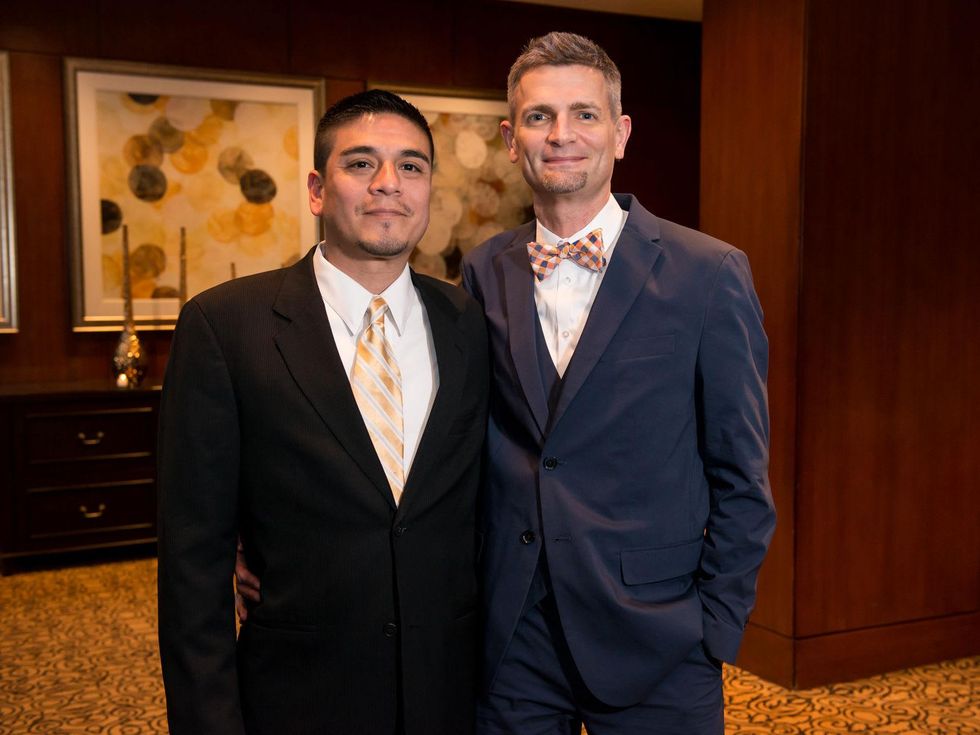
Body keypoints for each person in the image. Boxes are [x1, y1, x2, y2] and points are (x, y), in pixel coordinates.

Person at [459, 32, 776, 734]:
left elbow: (742, 476)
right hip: (515, 640)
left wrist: (713, 628)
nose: (562, 134)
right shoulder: (483, 271)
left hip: (659, 637)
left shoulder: (709, 271)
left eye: (585, 114)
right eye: (540, 117)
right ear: (513, 139)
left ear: (621, 132)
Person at [157, 89, 488, 735]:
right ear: (316, 188)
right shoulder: (226, 326)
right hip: (297, 698)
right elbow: (193, 563)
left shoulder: (468, 323)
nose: (388, 184)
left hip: (446, 692)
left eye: (411, 166)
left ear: (429, 190)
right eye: (361, 163)